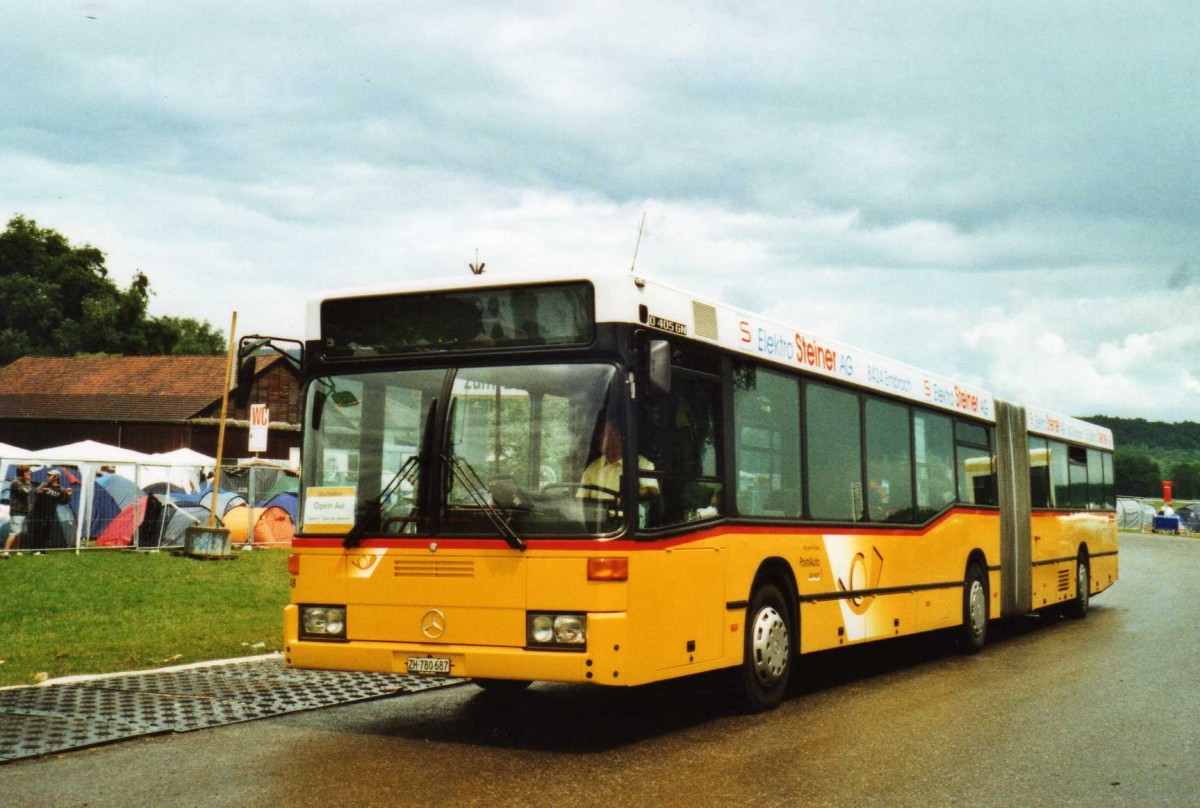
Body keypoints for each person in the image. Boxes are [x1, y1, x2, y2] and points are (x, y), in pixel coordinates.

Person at [579, 421, 659, 502]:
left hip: (627, 514)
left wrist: (632, 496)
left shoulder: (641, 464)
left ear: (618, 438)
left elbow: (653, 491)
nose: (598, 438)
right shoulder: (593, 468)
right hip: (598, 514)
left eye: (603, 434)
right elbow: (581, 498)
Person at [26, 470, 73, 552]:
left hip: (49, 514)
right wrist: (40, 491)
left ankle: (41, 550)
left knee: (45, 532)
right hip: (38, 512)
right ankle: (35, 550)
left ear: (56, 477)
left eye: (50, 475)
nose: (48, 477)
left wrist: (68, 495)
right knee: (36, 531)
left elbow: (63, 502)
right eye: (48, 475)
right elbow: (35, 493)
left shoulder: (61, 490)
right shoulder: (44, 484)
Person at [2, 465, 33, 558]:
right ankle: (6, 551)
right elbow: (26, 491)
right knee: (14, 532)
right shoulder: (16, 483)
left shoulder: (22, 482)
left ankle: (16, 550)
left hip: (23, 510)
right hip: (17, 511)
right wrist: (28, 482)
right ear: (23, 473)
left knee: (19, 532)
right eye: (28, 473)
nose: (29, 474)